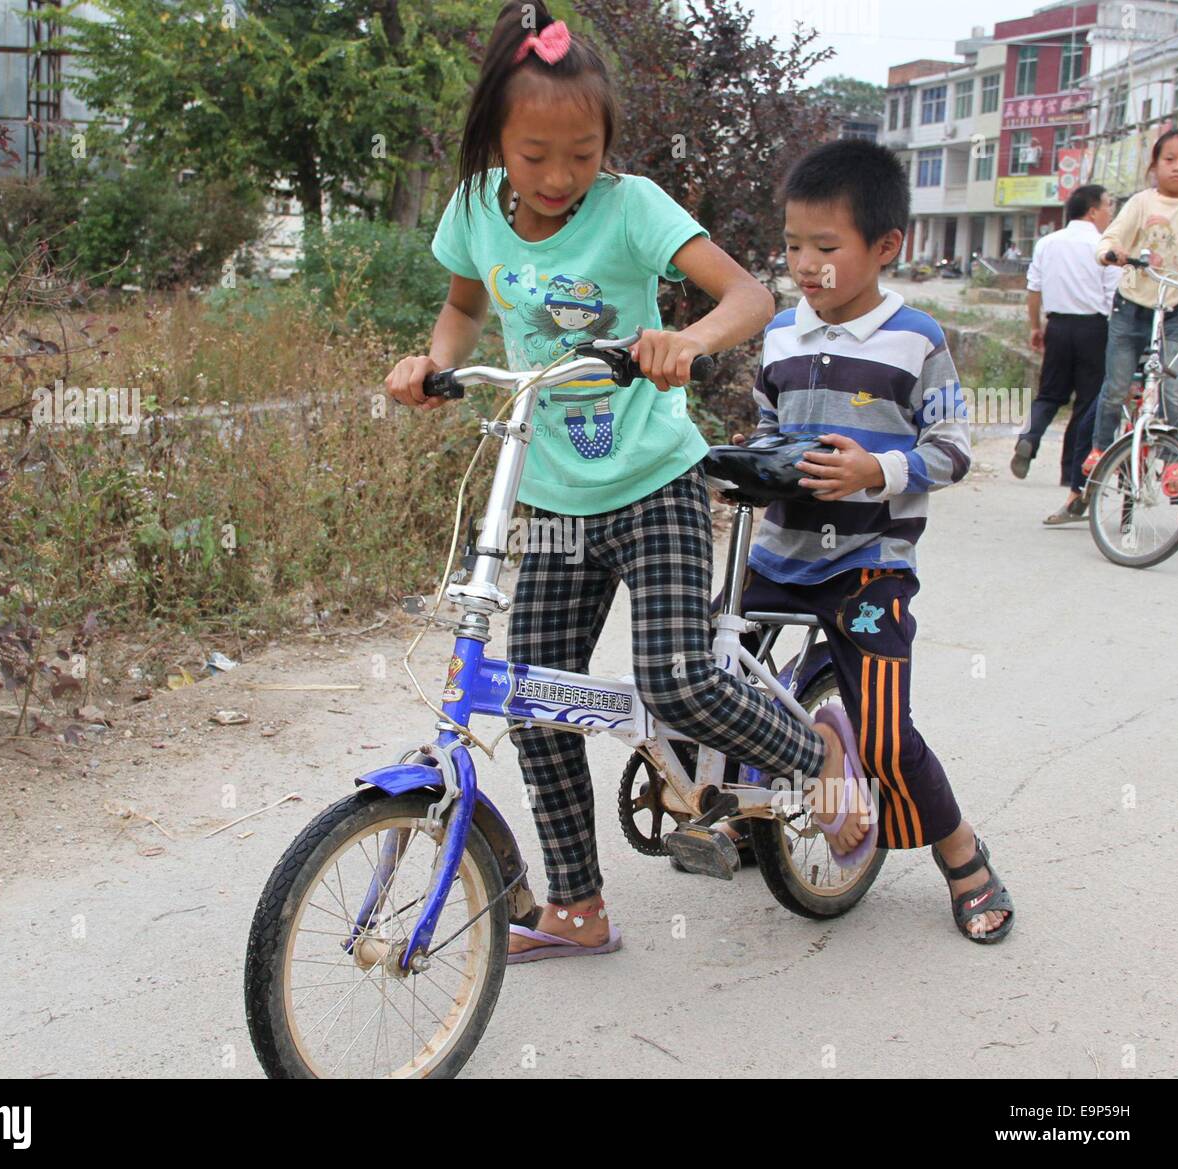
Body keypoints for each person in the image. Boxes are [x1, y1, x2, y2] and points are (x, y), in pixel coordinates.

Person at [386, 1, 859, 962]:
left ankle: (817, 756)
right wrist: (431, 366)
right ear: (494, 142)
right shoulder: (475, 209)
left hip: (654, 480)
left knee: (679, 676)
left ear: (607, 142)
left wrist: (685, 339)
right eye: (535, 155)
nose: (561, 178)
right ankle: (576, 906)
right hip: (550, 493)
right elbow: (462, 307)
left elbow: (750, 296)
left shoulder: (633, 204)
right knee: (531, 698)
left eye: (583, 152)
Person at [707, 140, 1015, 943]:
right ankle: (744, 813)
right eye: (792, 245)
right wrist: (740, 464)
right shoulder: (778, 334)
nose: (805, 265)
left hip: (869, 567)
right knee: (713, 675)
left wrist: (875, 468)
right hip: (777, 556)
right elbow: (772, 434)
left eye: (826, 247)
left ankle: (963, 855)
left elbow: (952, 447)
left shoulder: (915, 339)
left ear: (886, 248)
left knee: (881, 733)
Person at [1011, 185, 1119, 524]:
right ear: (1091, 211)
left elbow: (1034, 291)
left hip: (1057, 326)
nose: (1111, 213)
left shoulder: (1047, 243)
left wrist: (1035, 327)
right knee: (1087, 404)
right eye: (1108, 206)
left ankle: (1028, 438)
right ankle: (1070, 472)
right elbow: (1113, 297)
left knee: (1049, 395)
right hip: (1093, 330)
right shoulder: (1104, 247)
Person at [1084, 127, 1178, 499]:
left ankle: (1173, 463)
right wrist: (1111, 253)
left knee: (1174, 391)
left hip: (1174, 310)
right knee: (1117, 386)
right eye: (1169, 159)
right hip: (1132, 307)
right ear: (1154, 165)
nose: (1176, 168)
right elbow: (1110, 238)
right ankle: (1100, 448)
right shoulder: (1142, 202)